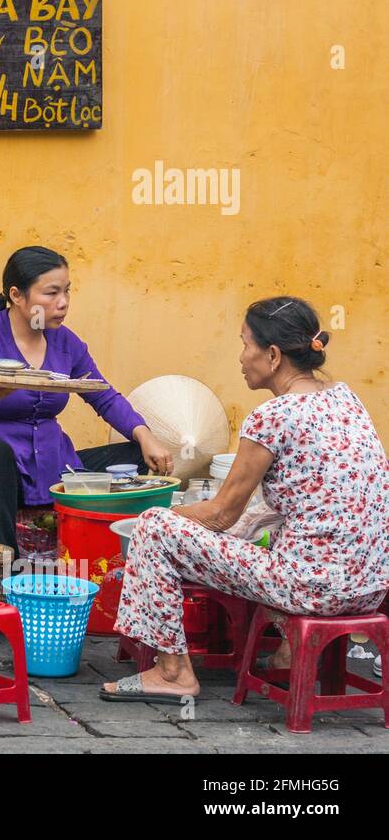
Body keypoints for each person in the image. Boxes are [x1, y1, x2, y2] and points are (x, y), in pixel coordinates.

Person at [102, 296, 389, 701]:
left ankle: (172, 673)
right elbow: (315, 499)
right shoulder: (346, 399)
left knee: (153, 527)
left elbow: (220, 514)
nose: (241, 357)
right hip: (371, 586)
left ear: (272, 355)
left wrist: (165, 512)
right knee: (266, 530)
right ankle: (288, 652)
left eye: (245, 344)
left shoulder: (272, 417)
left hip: (313, 587)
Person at [0, 246, 172, 555]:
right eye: (51, 293)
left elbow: (103, 396)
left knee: (135, 454)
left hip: (50, 467)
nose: (62, 303)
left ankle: (100, 555)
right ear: (16, 295)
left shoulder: (67, 343)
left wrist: (145, 435)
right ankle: (3, 571)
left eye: (66, 291)